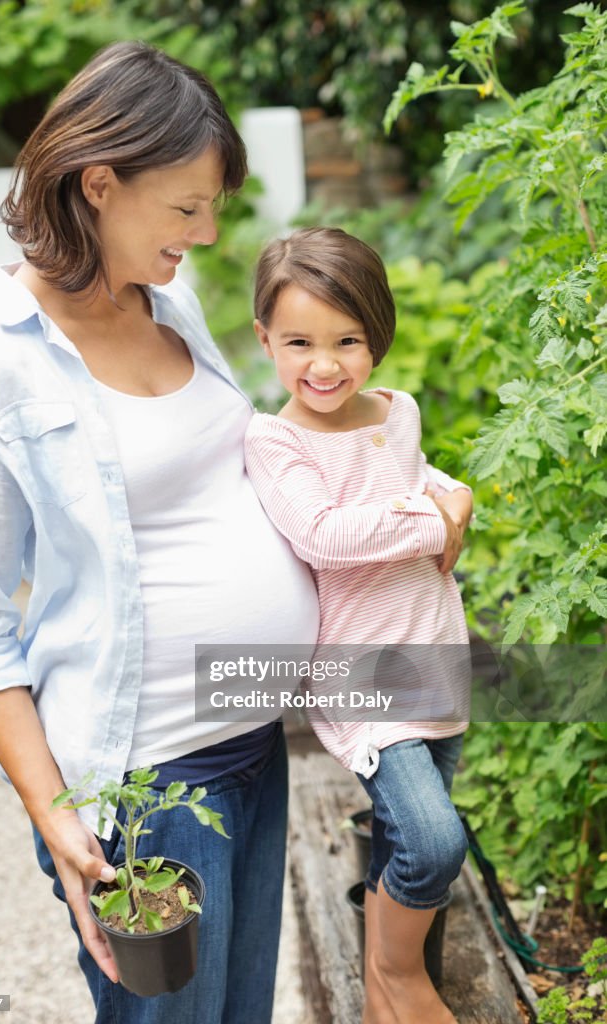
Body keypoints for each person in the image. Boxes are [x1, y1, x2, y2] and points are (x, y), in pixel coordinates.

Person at [0, 43, 319, 1024]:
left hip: (253, 748)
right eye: (187, 208)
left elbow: (234, 474)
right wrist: (56, 815)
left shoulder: (169, 300)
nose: (210, 232)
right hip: (146, 788)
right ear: (99, 184)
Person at [244, 227, 474, 1024]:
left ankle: (383, 999)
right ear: (265, 339)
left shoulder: (396, 411)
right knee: (436, 843)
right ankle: (397, 973)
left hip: (434, 650)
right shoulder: (276, 440)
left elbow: (422, 481)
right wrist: (432, 521)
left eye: (348, 341)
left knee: (407, 840)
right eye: (300, 341)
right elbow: (327, 536)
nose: (325, 363)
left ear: (377, 336)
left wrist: (458, 496)